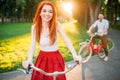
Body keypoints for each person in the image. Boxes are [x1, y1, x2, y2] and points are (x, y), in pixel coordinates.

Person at [22, 1, 81, 80]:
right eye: (44, 11)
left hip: (55, 59)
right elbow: (32, 46)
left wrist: (75, 55)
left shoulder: (56, 25)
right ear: (39, 13)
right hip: (42, 59)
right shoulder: (35, 27)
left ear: (53, 14)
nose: (47, 14)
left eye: (50, 12)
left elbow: (66, 40)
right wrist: (29, 59)